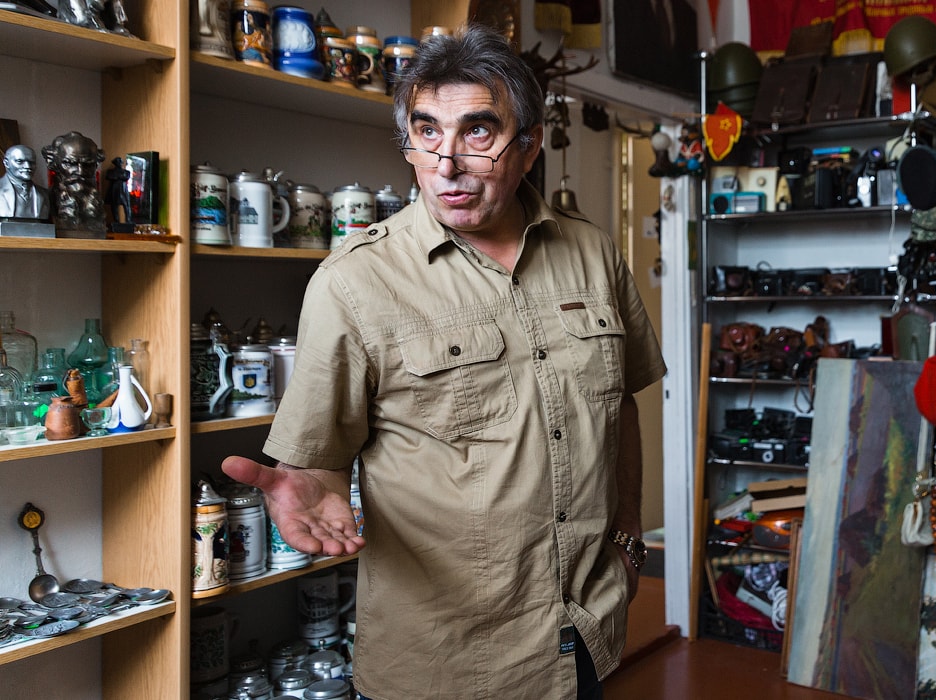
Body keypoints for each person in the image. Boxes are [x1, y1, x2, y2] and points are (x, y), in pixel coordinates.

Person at [221, 25, 666, 700]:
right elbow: (317, 458)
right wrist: (313, 485)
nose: (446, 163)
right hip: (441, 663)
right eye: (426, 132)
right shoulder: (354, 282)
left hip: (583, 636)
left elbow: (620, 403)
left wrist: (628, 541)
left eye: (477, 131)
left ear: (529, 146)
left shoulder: (593, 253)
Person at [0, 144, 50, 219]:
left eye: (31, 162)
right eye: (20, 161)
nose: (27, 166)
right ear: (6, 163)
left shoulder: (45, 194)